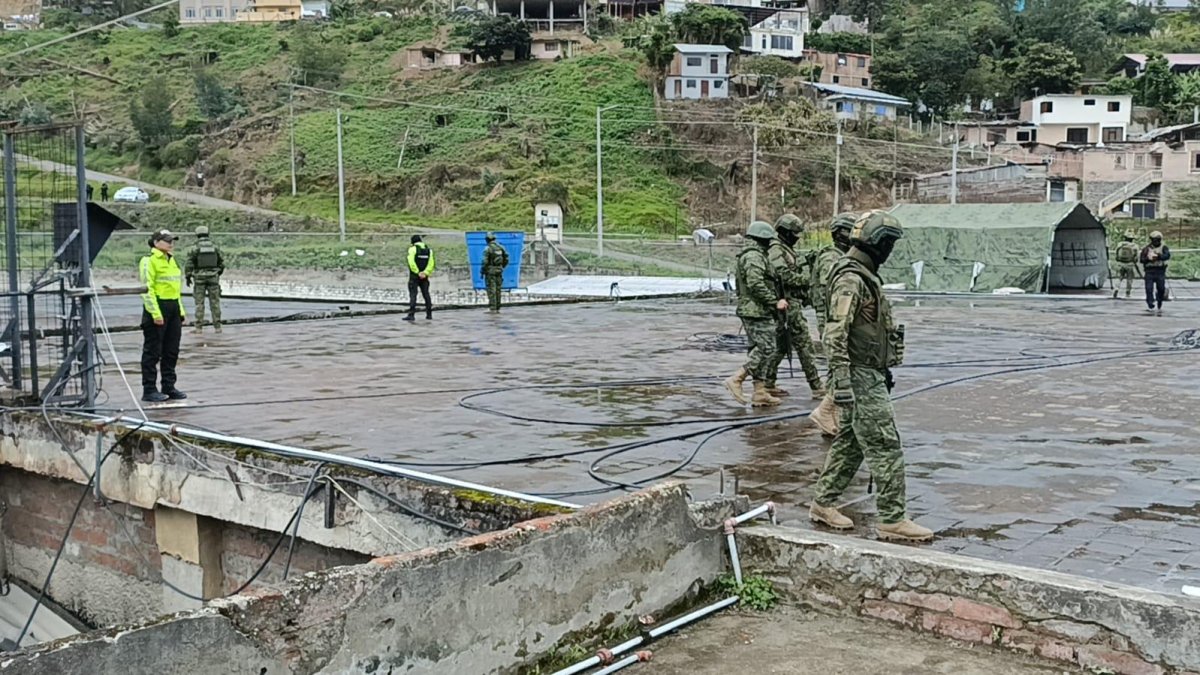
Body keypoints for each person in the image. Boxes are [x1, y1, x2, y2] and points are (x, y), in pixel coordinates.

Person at [809, 211, 932, 543]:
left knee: (851, 443)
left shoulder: (861, 275)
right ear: (877, 244)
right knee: (884, 443)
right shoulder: (851, 278)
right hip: (860, 375)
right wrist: (844, 383)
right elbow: (834, 335)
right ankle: (892, 518)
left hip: (867, 372)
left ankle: (823, 503)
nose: (890, 250)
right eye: (889, 243)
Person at [724, 221, 786, 407]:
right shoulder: (753, 257)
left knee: (761, 349)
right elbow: (755, 283)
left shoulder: (754, 255)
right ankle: (737, 378)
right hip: (756, 311)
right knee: (767, 348)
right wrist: (775, 302)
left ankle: (760, 392)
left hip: (756, 309)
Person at [808, 212, 858, 438]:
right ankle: (827, 411)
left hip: (835, 315)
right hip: (830, 316)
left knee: (839, 363)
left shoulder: (842, 256)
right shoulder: (831, 256)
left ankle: (832, 412)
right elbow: (834, 286)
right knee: (837, 362)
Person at [765, 214, 824, 399]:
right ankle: (816, 386)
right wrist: (808, 280)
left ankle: (767, 382)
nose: (797, 238)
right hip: (788, 304)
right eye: (794, 233)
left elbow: (790, 268)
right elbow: (782, 275)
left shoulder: (785, 248)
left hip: (791, 302)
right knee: (804, 345)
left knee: (782, 347)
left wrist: (806, 261)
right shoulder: (776, 249)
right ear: (785, 232)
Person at [139, 229, 186, 403]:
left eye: (172, 240)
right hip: (157, 308)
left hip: (173, 307)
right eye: (167, 240)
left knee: (171, 351)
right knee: (153, 351)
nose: (171, 243)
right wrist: (155, 313)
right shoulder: (149, 260)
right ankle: (149, 389)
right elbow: (147, 289)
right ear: (156, 242)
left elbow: (175, 289)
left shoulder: (171, 260)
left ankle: (169, 386)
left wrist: (180, 311)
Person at [185, 225, 225, 334]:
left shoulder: (194, 248)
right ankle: (218, 327)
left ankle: (199, 327)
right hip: (213, 277)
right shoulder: (215, 247)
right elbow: (221, 263)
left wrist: (188, 276)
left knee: (199, 303)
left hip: (199, 278)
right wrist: (217, 273)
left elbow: (189, 264)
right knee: (215, 302)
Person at [405, 235, 435, 321]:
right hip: (425, 277)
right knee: (426, 295)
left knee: (413, 295)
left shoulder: (412, 249)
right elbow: (431, 263)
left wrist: (418, 272)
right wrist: (425, 272)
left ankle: (411, 315)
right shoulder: (429, 250)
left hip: (414, 276)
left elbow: (411, 262)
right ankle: (429, 315)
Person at [1140, 230, 1171, 316]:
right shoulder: (1146, 249)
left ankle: (1159, 301)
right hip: (1149, 271)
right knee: (1149, 288)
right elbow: (1141, 260)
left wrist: (1158, 257)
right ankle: (1150, 303)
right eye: (1154, 239)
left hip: (1160, 270)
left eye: (1158, 239)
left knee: (1161, 288)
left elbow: (1167, 255)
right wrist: (1148, 259)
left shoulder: (1164, 247)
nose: (1156, 241)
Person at [481, 232, 509, 313]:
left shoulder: (488, 249)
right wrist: (501, 266)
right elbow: (506, 258)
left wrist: (483, 271)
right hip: (499, 270)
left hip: (490, 271)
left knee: (491, 289)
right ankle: (498, 307)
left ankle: (493, 308)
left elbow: (484, 262)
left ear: (487, 240)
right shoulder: (501, 247)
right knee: (498, 289)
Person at [1112, 229, 1140, 300]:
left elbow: (1116, 253)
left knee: (1119, 277)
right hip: (1130, 264)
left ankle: (1116, 288)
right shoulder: (1135, 246)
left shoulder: (1120, 244)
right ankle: (1128, 292)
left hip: (1121, 263)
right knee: (1129, 279)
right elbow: (1136, 256)